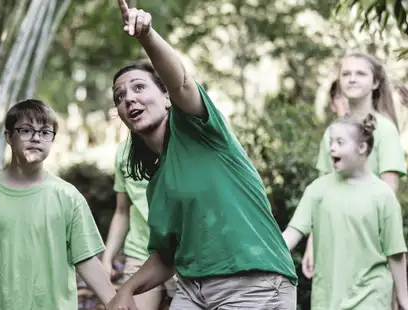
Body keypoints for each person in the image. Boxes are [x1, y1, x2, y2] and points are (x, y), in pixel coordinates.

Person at [107, 1, 298, 309]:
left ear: (166, 98)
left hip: (253, 284)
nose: (129, 97)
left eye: (139, 87)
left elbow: (181, 81)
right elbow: (166, 258)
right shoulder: (157, 183)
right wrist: (126, 290)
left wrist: (146, 36)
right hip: (194, 290)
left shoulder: (200, 130)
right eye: (120, 96)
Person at [0, 99, 115, 309]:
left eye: (44, 132)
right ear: (8, 137)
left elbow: (86, 259)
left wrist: (117, 302)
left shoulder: (67, 196)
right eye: (26, 130)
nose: (36, 138)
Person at [282, 113, 408, 309]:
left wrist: (404, 299)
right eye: (331, 141)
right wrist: (259, 254)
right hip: (327, 300)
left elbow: (396, 253)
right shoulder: (317, 190)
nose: (332, 147)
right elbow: (291, 235)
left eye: (340, 142)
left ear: (362, 148)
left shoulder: (383, 195)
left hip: (371, 297)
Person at [301, 52, 406, 281]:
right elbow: (321, 195)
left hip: (370, 244)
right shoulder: (332, 132)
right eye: (346, 73)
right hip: (333, 243)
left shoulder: (385, 130)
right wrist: (312, 243)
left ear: (375, 82)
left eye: (360, 73)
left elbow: (389, 194)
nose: (352, 78)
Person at [102, 139, 177, 310]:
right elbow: (122, 211)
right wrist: (107, 258)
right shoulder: (123, 152)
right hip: (140, 254)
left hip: (182, 256)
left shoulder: (183, 143)